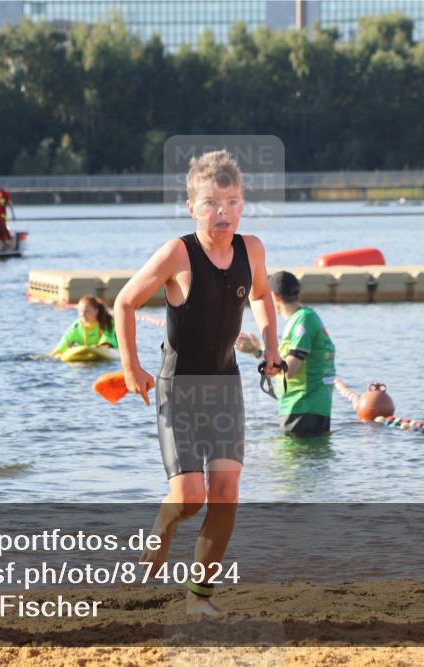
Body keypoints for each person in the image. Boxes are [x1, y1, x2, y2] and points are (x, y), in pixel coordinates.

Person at [114, 149, 282, 616]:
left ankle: (198, 599)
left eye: (230, 201)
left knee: (226, 493)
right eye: (210, 202)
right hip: (178, 387)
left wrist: (271, 349)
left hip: (225, 385)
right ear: (193, 207)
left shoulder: (253, 250)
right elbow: (124, 304)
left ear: (243, 203)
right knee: (189, 498)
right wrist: (131, 368)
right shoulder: (177, 253)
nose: (221, 212)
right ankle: (162, 529)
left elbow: (264, 298)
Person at [236, 271, 336, 437]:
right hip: (313, 409)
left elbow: (288, 370)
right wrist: (258, 350)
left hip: (302, 410)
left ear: (274, 296)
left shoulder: (302, 322)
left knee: (288, 461)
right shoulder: (307, 317)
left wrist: (257, 351)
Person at [51, 295, 118, 357]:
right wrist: (57, 353)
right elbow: (65, 340)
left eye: (87, 311)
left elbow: (107, 341)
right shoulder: (76, 326)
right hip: (86, 352)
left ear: (96, 311)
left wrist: (95, 349)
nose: (83, 314)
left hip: (110, 351)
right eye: (80, 311)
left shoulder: (108, 323)